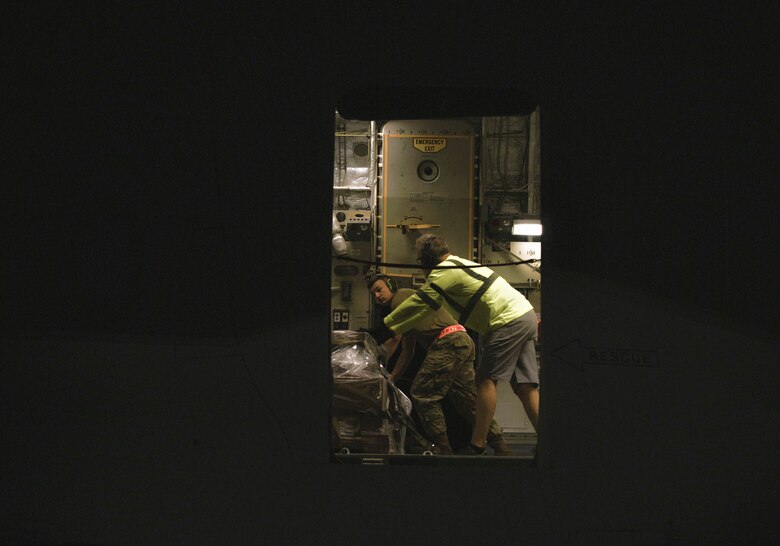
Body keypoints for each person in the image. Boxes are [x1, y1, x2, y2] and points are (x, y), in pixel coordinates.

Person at [380, 234, 539, 456]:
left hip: (507, 320)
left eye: (419, 261)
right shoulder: (459, 264)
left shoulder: (444, 271)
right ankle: (545, 441)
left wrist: (387, 325)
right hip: (525, 314)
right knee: (525, 387)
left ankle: (477, 443)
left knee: (485, 380)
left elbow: (422, 302)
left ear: (426, 259)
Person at [366, 274, 512, 456]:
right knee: (467, 399)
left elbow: (394, 338)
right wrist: (392, 379)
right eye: (373, 294)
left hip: (447, 342)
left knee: (422, 394)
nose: (377, 296)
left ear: (391, 286)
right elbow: (407, 352)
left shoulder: (400, 298)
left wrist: (372, 358)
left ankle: (443, 448)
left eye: (379, 289)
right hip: (461, 340)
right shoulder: (410, 305)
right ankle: (500, 444)